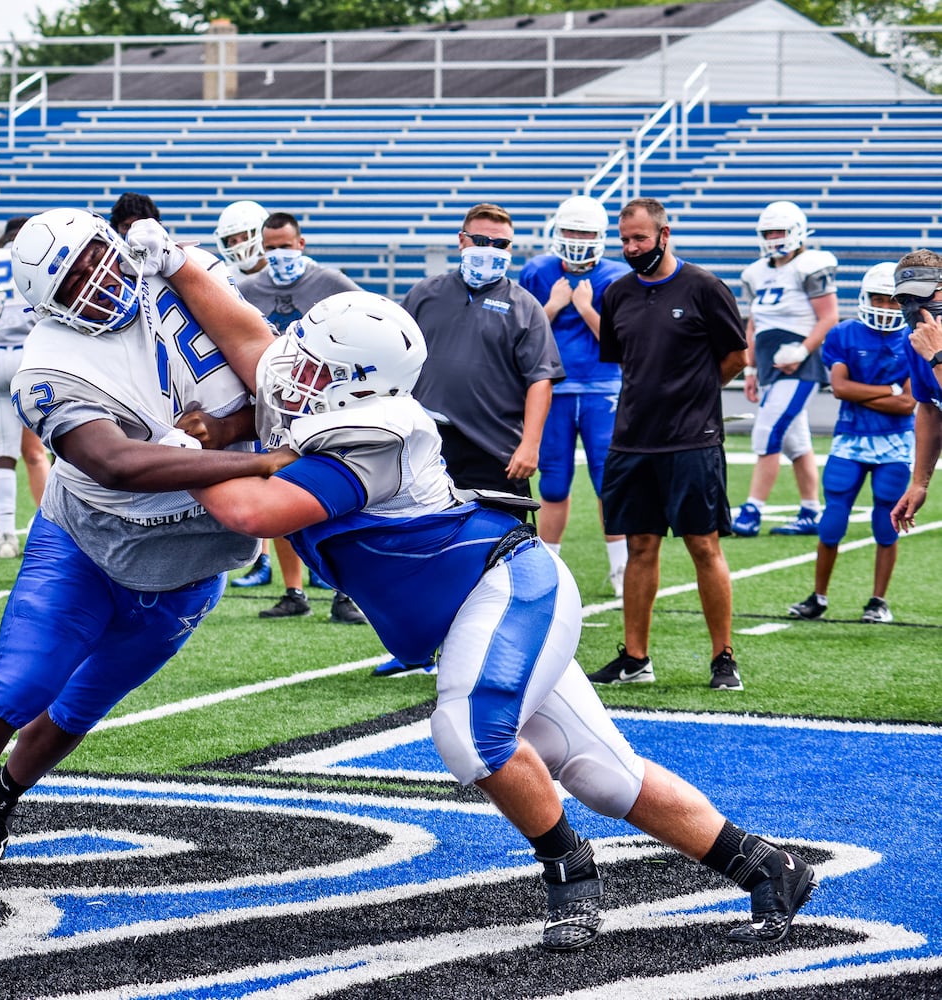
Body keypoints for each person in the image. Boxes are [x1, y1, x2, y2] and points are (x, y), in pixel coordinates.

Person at [135, 231, 818, 953]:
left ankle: (570, 873)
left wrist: (183, 455)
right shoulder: (322, 383)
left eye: (314, 366)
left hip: (505, 589)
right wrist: (175, 262)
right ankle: (766, 865)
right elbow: (250, 336)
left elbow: (251, 512)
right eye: (302, 353)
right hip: (484, 602)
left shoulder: (375, 434)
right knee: (603, 774)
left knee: (469, 733)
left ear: (360, 383)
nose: (290, 373)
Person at [0, 208, 295, 910]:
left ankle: (2, 796)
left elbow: (268, 376)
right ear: (43, 303)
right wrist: (259, 457)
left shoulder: (178, 275)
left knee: (78, 708)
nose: (95, 281)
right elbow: (114, 464)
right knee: (17, 691)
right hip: (88, 543)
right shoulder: (47, 367)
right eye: (72, 279)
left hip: (192, 563)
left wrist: (229, 425)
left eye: (94, 259)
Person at [587, 198, 747, 691]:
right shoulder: (616, 294)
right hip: (632, 441)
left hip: (692, 442)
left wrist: (694, 397)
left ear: (664, 233)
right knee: (640, 546)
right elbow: (624, 362)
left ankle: (724, 658)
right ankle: (635, 658)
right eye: (625, 240)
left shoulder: (704, 287)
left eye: (640, 238)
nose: (632, 248)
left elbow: (736, 357)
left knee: (704, 545)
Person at [237, 211, 367, 626]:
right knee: (279, 501)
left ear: (301, 243)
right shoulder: (247, 287)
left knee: (336, 501)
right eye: (270, 247)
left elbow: (368, 318)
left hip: (324, 408)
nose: (278, 254)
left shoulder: (330, 282)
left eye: (285, 245)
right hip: (272, 409)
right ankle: (294, 592)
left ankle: (345, 592)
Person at [402, 203, 562, 499]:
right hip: (426, 441)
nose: (491, 249)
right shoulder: (424, 294)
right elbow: (396, 357)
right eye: (481, 241)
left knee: (500, 540)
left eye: (500, 244)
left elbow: (541, 380)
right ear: (462, 240)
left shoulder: (525, 306)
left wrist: (530, 445)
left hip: (494, 445)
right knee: (426, 537)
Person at [786, 263, 913, 624]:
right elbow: (840, 388)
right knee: (832, 523)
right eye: (878, 298)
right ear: (864, 297)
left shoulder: (914, 337)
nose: (885, 307)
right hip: (851, 439)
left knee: (885, 524)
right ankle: (818, 597)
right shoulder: (844, 333)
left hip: (895, 441)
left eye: (892, 300)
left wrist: (865, 395)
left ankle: (878, 601)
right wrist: (887, 391)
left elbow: (907, 403)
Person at [519, 196, 632, 597]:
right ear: (557, 232)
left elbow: (620, 345)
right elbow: (523, 334)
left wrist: (585, 309)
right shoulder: (537, 271)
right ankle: (549, 570)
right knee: (554, 482)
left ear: (601, 237)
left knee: (609, 482)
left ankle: (622, 570)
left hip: (603, 388)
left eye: (585, 233)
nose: (577, 240)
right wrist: (551, 307)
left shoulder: (618, 277)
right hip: (554, 387)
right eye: (571, 231)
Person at [732, 201, 839, 537]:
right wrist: (749, 370)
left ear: (797, 232)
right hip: (767, 364)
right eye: (769, 232)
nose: (774, 238)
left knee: (767, 431)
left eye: (780, 231)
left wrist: (803, 350)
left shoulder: (810, 265)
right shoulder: (754, 272)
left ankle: (752, 511)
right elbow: (753, 324)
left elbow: (829, 317)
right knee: (796, 442)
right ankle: (811, 511)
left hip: (800, 366)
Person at [0, 216, 50, 560]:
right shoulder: (35, 258)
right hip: (31, 356)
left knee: (2, 452)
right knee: (44, 450)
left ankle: (5, 533)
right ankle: (50, 526)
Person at [216, 200, 277, 589]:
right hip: (251, 386)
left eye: (244, 236)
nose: (238, 245)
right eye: (232, 239)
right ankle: (264, 559)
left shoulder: (294, 275)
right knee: (264, 473)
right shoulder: (226, 280)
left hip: (292, 384)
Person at [891, 250, 942, 534]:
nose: (914, 308)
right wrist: (919, 482)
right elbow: (931, 407)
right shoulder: (913, 340)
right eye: (905, 300)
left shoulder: (930, 348)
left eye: (923, 297)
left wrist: (937, 357)